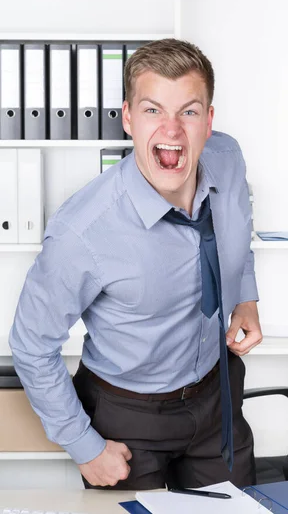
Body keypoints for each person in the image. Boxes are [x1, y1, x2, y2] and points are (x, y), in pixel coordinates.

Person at [9, 38, 262, 490]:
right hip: (127, 417)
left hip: (215, 394)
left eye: (188, 111)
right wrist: (83, 445)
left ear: (208, 120)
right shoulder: (82, 231)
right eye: (152, 111)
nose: (172, 130)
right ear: (127, 118)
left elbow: (236, 224)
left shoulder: (226, 158)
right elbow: (31, 344)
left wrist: (244, 295)